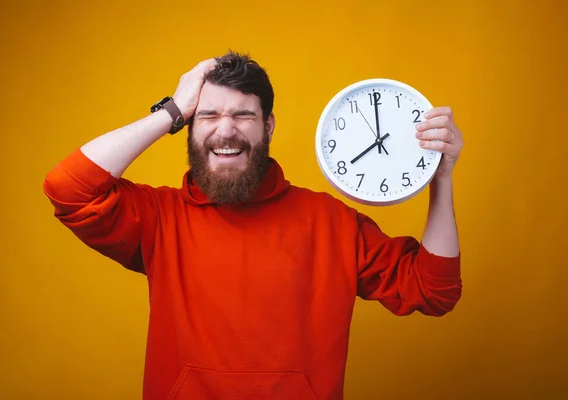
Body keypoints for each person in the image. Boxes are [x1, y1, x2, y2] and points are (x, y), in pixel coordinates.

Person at [43, 51, 463, 400]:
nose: (225, 131)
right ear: (188, 128)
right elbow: (67, 189)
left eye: (243, 115)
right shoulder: (159, 216)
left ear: (268, 126)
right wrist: (171, 109)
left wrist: (439, 177)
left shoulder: (331, 221)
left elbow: (433, 289)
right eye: (207, 115)